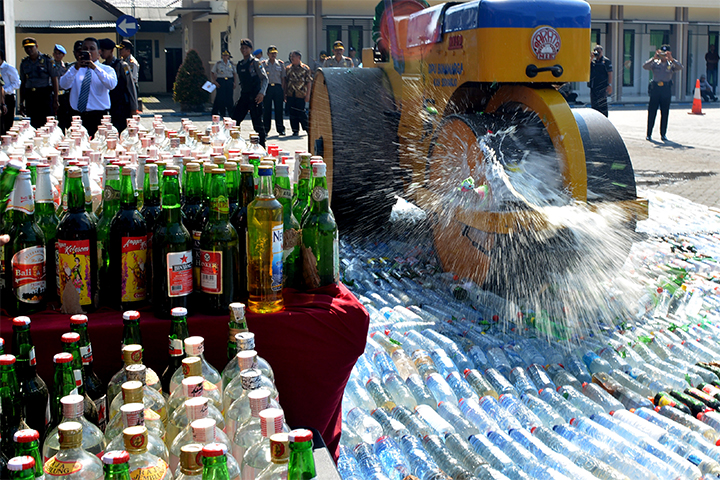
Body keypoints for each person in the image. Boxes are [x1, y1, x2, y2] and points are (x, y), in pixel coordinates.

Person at [59, 37, 118, 137]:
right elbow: (63, 84)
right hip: (77, 116)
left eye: (92, 49)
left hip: (98, 116)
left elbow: (111, 85)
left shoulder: (106, 69)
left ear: (99, 52)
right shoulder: (74, 69)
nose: (89, 51)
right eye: (85, 49)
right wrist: (76, 68)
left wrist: (95, 68)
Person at [643, 44, 683, 142]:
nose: (663, 56)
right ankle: (649, 134)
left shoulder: (671, 64)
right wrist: (654, 58)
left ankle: (663, 134)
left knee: (664, 113)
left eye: (665, 54)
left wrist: (671, 59)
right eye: (662, 53)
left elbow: (680, 67)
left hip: (666, 89)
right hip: (656, 90)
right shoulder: (655, 63)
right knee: (652, 112)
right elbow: (645, 66)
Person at [233, 38, 268, 147]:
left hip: (255, 96)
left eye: (246, 48)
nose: (244, 50)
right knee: (234, 120)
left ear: (251, 49)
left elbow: (265, 79)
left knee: (257, 123)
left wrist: (262, 93)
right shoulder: (240, 64)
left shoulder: (256, 63)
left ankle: (261, 146)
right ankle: (234, 143)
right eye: (242, 48)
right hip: (244, 96)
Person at [98, 38, 137, 133]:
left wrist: (133, 108)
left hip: (121, 105)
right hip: (108, 105)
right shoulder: (102, 67)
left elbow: (130, 87)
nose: (101, 53)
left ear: (111, 50)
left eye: (103, 50)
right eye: (100, 50)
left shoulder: (122, 65)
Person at [19, 37, 59, 128]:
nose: (29, 50)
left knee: (46, 123)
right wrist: (21, 102)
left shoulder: (47, 60)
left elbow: (54, 79)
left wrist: (56, 99)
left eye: (31, 47)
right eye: (26, 48)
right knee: (33, 124)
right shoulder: (24, 63)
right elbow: (23, 83)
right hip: (30, 96)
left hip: (44, 95)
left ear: (36, 46)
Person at [285, 50, 312, 136]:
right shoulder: (288, 68)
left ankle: (307, 128)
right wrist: (285, 94)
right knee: (292, 113)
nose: (291, 58)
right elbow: (286, 82)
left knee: (301, 112)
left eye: (293, 56)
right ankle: (295, 130)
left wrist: (308, 95)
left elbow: (309, 82)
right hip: (291, 93)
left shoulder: (305, 68)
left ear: (299, 57)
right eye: (291, 57)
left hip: (301, 94)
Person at [262, 45, 286, 136]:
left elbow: (283, 78)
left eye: (275, 53)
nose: (273, 55)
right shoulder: (264, 64)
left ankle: (280, 129)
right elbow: (261, 78)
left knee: (279, 109)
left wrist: (282, 90)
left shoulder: (280, 64)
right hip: (267, 88)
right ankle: (266, 129)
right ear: (268, 54)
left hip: (277, 88)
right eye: (271, 53)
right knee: (267, 109)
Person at [51, 44, 72, 132]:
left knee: (64, 117)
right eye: (55, 53)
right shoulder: (50, 66)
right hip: (53, 94)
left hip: (63, 95)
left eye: (59, 54)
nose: (57, 55)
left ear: (63, 55)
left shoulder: (66, 67)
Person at [211, 50, 237, 117]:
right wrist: (215, 81)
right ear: (222, 56)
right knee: (221, 97)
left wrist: (234, 82)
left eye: (226, 55)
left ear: (228, 56)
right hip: (221, 80)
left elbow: (234, 73)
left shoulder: (231, 64)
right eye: (224, 55)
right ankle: (222, 112)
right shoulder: (218, 63)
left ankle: (231, 113)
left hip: (229, 80)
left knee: (229, 97)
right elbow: (212, 72)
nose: (225, 57)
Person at [0, 49, 20, 134]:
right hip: (0, 98)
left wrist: (4, 91)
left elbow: (17, 83)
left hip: (8, 97)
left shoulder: (9, 68)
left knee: (7, 124)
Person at [588, 45, 612, 117]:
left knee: (602, 104)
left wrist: (609, 85)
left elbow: (610, 73)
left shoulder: (606, 61)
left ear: (602, 52)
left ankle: (604, 117)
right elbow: (586, 67)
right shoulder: (592, 61)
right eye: (596, 51)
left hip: (602, 86)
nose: (597, 53)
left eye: (599, 51)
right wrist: (591, 58)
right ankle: (595, 117)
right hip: (593, 85)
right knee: (594, 104)